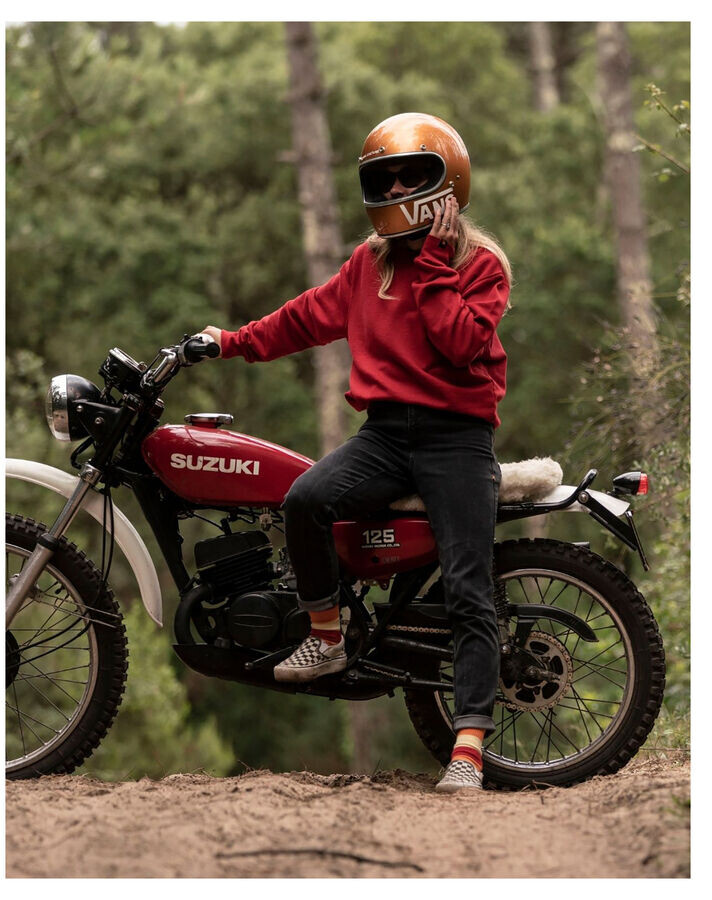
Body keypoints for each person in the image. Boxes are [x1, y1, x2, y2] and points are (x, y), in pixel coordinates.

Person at [199, 112, 512, 792]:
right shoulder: (367, 265)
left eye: (411, 175)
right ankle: (327, 637)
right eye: (384, 178)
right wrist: (232, 341)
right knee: (305, 499)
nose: (395, 188)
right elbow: (304, 317)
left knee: (467, 588)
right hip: (385, 435)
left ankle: (468, 748)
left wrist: (433, 266)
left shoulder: (479, 265)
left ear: (448, 182)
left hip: (456, 438)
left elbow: (461, 344)